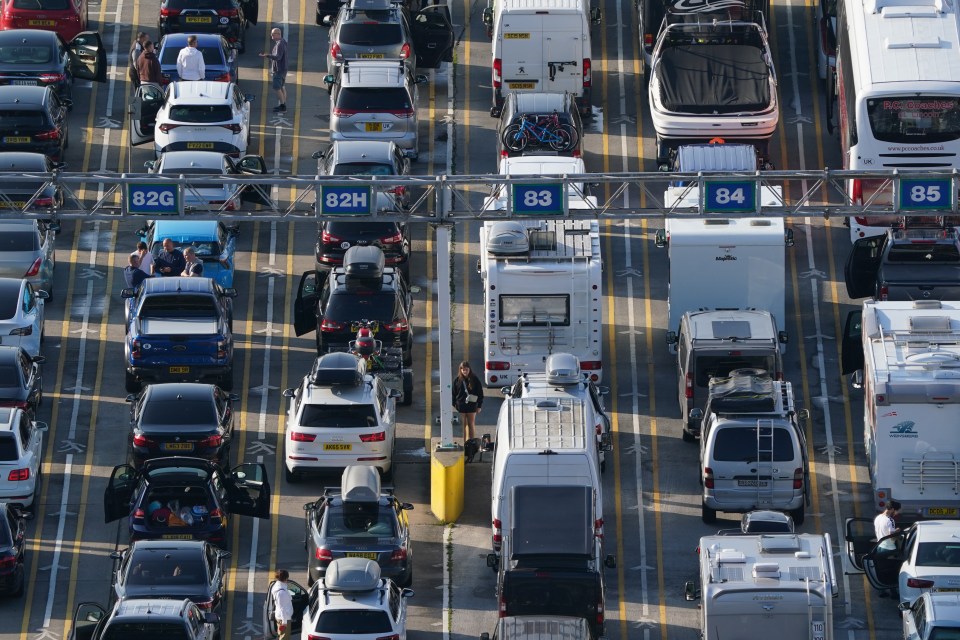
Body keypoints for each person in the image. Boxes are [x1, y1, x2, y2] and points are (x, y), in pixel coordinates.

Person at [873, 500, 902, 597]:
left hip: (879, 547)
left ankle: (882, 591)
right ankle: (893, 593)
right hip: (889, 549)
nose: (897, 513)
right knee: (892, 571)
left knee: (882, 569)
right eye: (896, 511)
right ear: (893, 509)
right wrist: (898, 531)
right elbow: (892, 537)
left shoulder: (878, 518)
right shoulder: (890, 520)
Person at [452, 361, 484, 442]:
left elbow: (480, 393)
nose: (465, 371)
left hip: (472, 406)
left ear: (469, 369)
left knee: (471, 424)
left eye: (466, 369)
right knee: (462, 426)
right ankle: (463, 443)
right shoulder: (457, 380)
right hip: (460, 406)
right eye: (463, 370)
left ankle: (471, 443)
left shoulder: (474, 379)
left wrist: (479, 406)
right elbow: (453, 393)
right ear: (460, 370)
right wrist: (454, 404)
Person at [259, 28, 288, 112]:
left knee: (276, 87)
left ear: (278, 34)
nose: (271, 36)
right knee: (282, 86)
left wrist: (267, 55)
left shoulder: (279, 44)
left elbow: (278, 57)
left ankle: (282, 105)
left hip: (279, 69)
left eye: (273, 34)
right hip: (283, 68)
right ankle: (283, 103)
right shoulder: (283, 42)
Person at [271, 569, 294, 640]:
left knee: (281, 636)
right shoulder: (281, 593)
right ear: (285, 578)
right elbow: (282, 608)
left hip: (281, 617)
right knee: (284, 638)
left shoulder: (276, 586)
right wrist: (284, 622)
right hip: (284, 618)